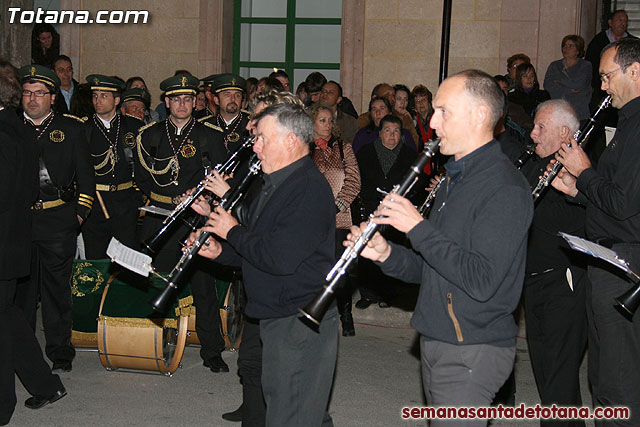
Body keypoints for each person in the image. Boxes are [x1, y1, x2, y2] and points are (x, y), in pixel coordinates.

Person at [347, 70, 532, 425]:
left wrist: (416, 226)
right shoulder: (454, 179)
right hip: (440, 336)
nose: (432, 122)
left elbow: (481, 279)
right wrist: (386, 253)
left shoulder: (503, 187)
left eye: (444, 112)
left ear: (479, 115)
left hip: (471, 347)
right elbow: (432, 266)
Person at [193, 103, 337, 427]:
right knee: (297, 410)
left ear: (290, 141)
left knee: (293, 414)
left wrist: (230, 230)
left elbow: (278, 258)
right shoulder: (278, 182)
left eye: (261, 138)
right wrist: (221, 252)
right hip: (278, 314)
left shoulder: (307, 189)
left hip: (298, 320)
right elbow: (258, 247)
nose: (254, 146)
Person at [552, 37, 640, 426]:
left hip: (623, 262)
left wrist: (584, 171)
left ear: (635, 71)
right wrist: (577, 189)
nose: (602, 87)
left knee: (618, 379)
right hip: (607, 259)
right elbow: (616, 200)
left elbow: (623, 205)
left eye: (607, 77)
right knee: (602, 374)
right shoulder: (628, 123)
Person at [134, 73, 229, 373]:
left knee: (203, 287)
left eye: (188, 99)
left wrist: (204, 205)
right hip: (160, 218)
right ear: (167, 102)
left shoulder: (210, 135)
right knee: (156, 281)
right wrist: (163, 198)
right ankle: (153, 341)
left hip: (195, 219)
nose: (183, 104)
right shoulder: (149, 135)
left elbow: (223, 176)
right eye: (176, 99)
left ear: (195, 102)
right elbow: (140, 174)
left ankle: (212, 351)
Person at [15, 64, 95, 373]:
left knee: (56, 292)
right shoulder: (10, 126)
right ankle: (21, 353)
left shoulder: (71, 128)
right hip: (20, 223)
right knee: (22, 293)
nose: (32, 99)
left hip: (58, 221)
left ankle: (61, 351)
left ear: (52, 97)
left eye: (39, 93)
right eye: (26, 92)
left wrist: (78, 214)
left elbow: (87, 178)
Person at [0, 63, 67, 426]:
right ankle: (44, 385)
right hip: (11, 241)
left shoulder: (6, 133)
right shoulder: (16, 128)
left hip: (3, 242)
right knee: (8, 316)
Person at [522, 100, 588, 426]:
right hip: (531, 281)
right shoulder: (534, 164)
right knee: (546, 375)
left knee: (560, 380)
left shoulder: (579, 167)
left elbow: (580, 223)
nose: (532, 134)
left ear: (564, 133)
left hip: (563, 282)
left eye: (540, 128)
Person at [355, 114, 417, 310]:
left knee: (392, 251)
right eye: (388, 130)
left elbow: (416, 183)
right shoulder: (366, 152)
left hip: (397, 212)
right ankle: (367, 294)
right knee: (368, 252)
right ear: (380, 133)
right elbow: (359, 180)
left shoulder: (409, 155)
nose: (392, 135)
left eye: (396, 131)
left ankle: (388, 294)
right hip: (371, 209)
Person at [308, 103, 361, 335]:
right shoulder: (304, 149)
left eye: (330, 120)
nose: (328, 125)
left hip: (340, 219)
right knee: (315, 270)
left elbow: (354, 180)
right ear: (312, 123)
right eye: (322, 120)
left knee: (341, 270)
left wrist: (340, 203)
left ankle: (345, 315)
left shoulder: (343, 148)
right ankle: (316, 315)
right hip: (312, 220)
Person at [82, 74, 144, 259]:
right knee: (96, 261)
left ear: (117, 100)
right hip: (95, 205)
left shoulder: (133, 127)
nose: (98, 101)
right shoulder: (84, 129)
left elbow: (143, 166)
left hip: (126, 205)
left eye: (104, 96)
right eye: (95, 96)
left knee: (127, 261)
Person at [585, 10, 634, 97]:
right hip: (602, 89)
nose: (623, 23)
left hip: (626, 90)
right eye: (619, 20)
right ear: (610, 23)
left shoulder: (632, 42)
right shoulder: (598, 41)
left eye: (625, 21)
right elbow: (590, 64)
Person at [544, 35, 592, 121]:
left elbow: (578, 85)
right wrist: (569, 90)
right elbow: (547, 85)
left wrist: (558, 80)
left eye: (570, 46)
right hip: (558, 111)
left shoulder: (585, 66)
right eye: (564, 46)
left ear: (578, 50)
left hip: (579, 112)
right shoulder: (555, 65)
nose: (566, 48)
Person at [352, 97, 416, 154]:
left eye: (382, 108)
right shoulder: (362, 135)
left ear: (389, 112)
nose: (378, 113)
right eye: (374, 109)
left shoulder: (404, 134)